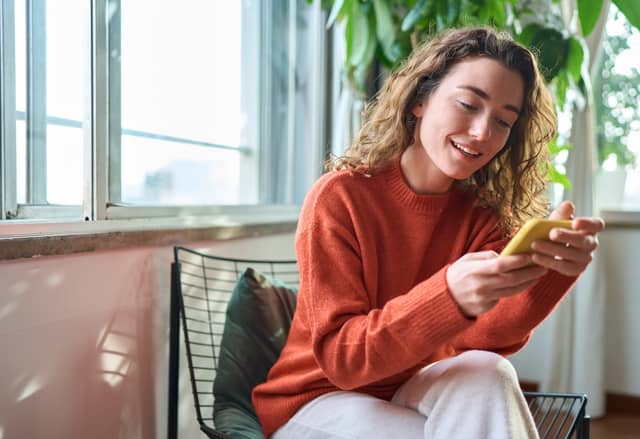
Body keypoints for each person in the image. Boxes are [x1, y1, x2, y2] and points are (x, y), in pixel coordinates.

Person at [252, 26, 605, 439]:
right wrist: (448, 294)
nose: (482, 133)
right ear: (420, 99)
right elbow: (342, 359)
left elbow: (486, 337)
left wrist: (554, 270)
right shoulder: (340, 198)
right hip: (317, 397)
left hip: (409, 389)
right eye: (468, 104)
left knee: (488, 371)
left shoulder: (481, 216)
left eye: (504, 121)